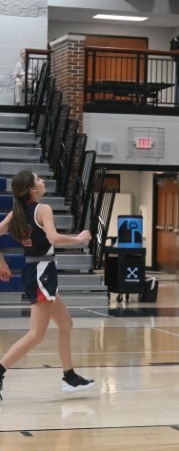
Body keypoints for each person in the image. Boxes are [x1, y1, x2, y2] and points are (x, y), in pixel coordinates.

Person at [0, 171, 95, 401]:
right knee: (36, 335)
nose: (42, 181)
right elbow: (54, 238)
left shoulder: (17, 211)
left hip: (37, 271)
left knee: (66, 323)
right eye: (38, 179)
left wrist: (1, 262)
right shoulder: (43, 209)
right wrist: (79, 239)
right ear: (33, 189)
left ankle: (70, 377)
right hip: (42, 272)